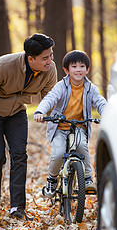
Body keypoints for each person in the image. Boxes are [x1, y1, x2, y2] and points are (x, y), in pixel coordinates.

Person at [0, 33, 57, 220]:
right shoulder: (3, 66)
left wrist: (55, 120)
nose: (50, 61)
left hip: (17, 113)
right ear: (31, 58)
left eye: (51, 55)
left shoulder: (50, 69)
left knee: (19, 155)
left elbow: (50, 97)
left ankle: (17, 208)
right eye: (45, 58)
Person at [34, 50, 107, 198]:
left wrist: (110, 114)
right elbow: (50, 98)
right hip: (60, 127)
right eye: (74, 66)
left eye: (82, 66)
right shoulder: (61, 86)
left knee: (81, 147)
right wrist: (40, 111)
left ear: (87, 69)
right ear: (67, 70)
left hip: (79, 126)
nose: (78, 69)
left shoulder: (90, 88)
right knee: (59, 153)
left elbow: (100, 102)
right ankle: (52, 179)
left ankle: (87, 178)